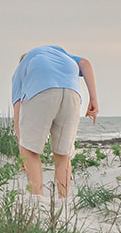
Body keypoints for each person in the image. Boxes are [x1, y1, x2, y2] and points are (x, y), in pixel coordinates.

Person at [11, 45, 98, 207]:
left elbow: (18, 112)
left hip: (41, 92)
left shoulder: (21, 69)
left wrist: (22, 150)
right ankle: (64, 199)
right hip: (72, 93)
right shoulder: (62, 54)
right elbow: (85, 63)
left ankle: (37, 200)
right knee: (63, 152)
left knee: (30, 149)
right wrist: (94, 99)